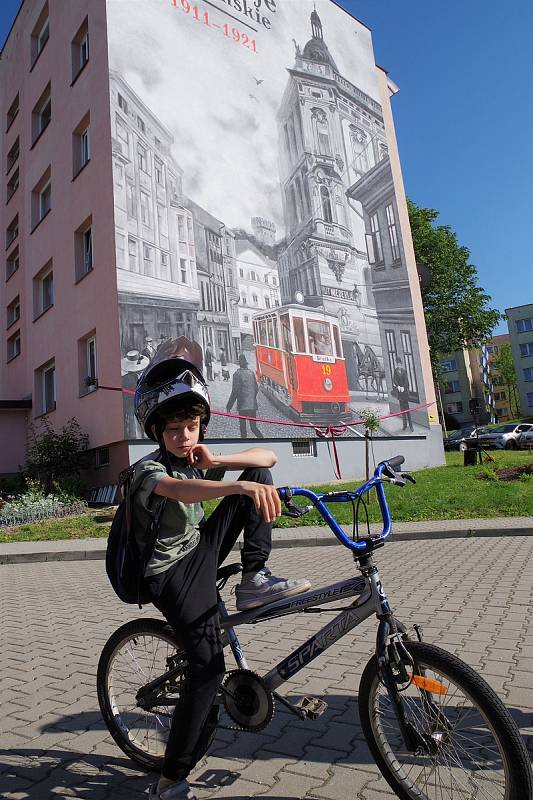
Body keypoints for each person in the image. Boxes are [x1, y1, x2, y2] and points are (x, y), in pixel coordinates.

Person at [132, 338, 310, 800]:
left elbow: (268, 459)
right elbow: (178, 491)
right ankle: (171, 775)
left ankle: (254, 581)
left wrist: (224, 464)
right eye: (173, 428)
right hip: (168, 573)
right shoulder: (145, 470)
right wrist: (232, 492)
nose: (184, 436)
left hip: (200, 554)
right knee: (208, 668)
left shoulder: (202, 458)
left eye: (191, 426)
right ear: (156, 431)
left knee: (259, 478)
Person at [226, 353, 263, 439]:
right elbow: (256, 389)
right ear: (246, 364)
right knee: (254, 428)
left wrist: (229, 406)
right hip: (252, 405)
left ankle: (244, 443)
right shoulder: (251, 373)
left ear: (239, 364)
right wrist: (251, 398)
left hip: (242, 406)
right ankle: (264, 441)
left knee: (243, 429)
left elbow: (235, 392)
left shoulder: (236, 374)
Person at [392, 355, 414, 432]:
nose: (399, 365)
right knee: (402, 410)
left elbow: (406, 381)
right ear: (397, 365)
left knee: (407, 410)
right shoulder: (395, 371)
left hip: (405, 393)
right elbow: (394, 380)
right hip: (400, 393)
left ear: (401, 364)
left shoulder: (404, 371)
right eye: (397, 364)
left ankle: (411, 426)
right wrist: (398, 386)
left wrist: (403, 387)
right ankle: (404, 425)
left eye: (400, 364)